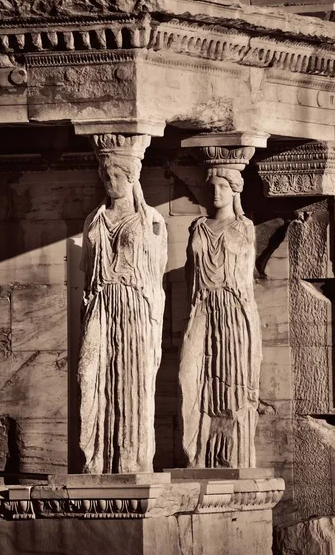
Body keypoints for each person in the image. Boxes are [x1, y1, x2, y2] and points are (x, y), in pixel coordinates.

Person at [78, 152, 167, 474]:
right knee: (88, 376)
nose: (111, 183)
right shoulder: (94, 219)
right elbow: (87, 268)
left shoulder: (151, 220)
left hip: (135, 307)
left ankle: (131, 461)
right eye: (106, 177)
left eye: (117, 176)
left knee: (134, 381)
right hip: (101, 303)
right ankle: (95, 458)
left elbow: (156, 272)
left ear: (132, 178)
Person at [179, 166, 261, 468]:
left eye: (222, 187)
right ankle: (197, 453)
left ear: (234, 190)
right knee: (189, 378)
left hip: (233, 311)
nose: (216, 193)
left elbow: (245, 278)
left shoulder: (244, 227)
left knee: (232, 385)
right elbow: (190, 272)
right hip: (201, 307)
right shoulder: (197, 227)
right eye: (211, 187)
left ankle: (229, 458)